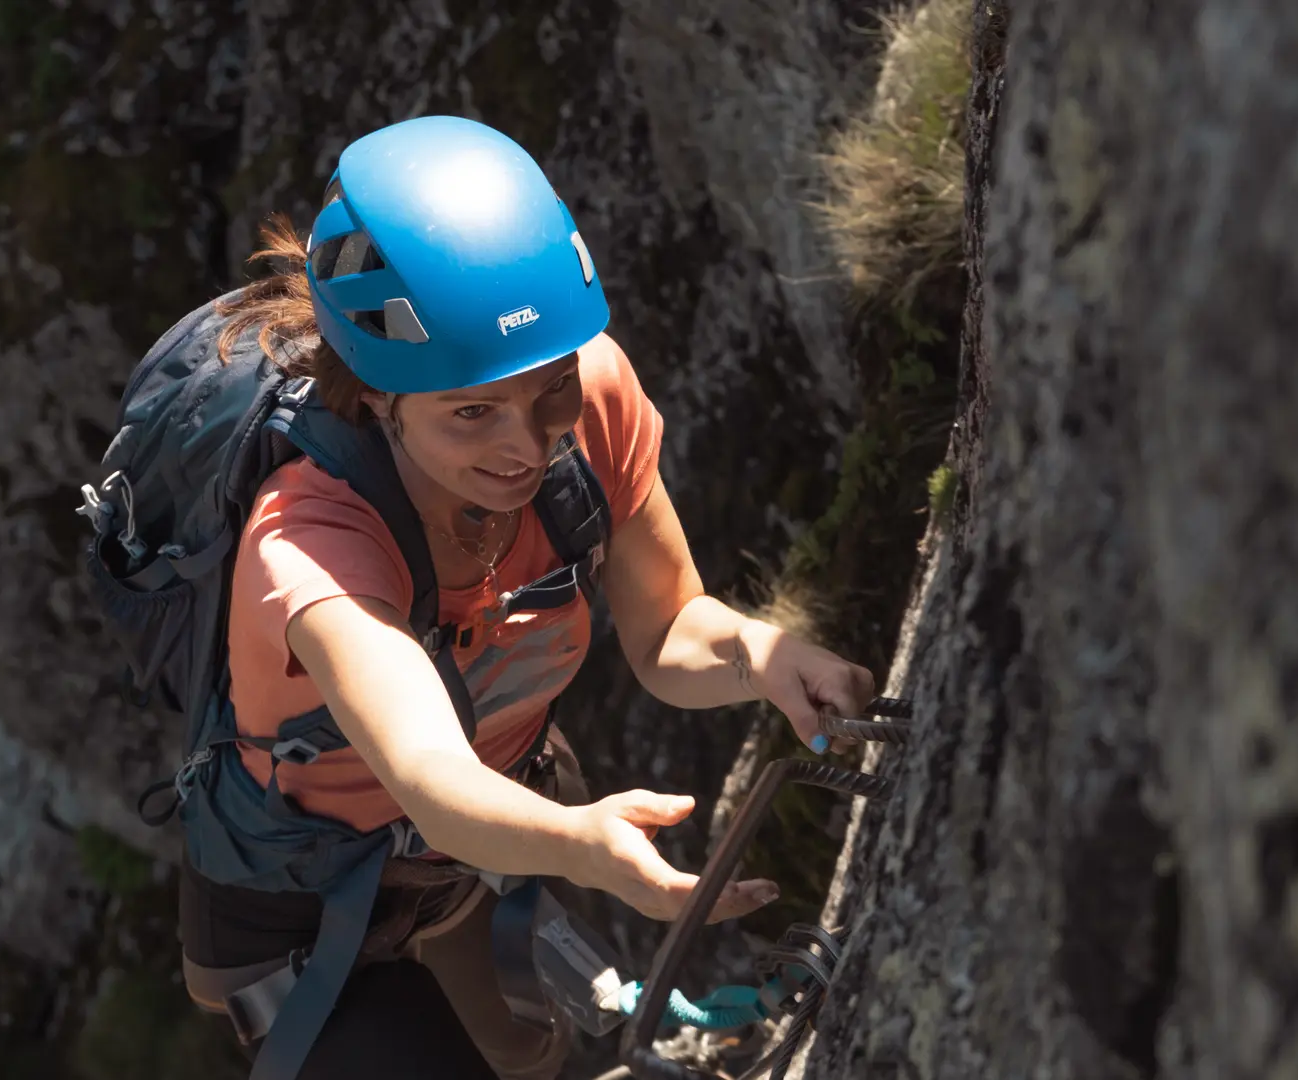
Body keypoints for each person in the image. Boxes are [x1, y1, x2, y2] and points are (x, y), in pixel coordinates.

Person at [172, 115, 877, 1080]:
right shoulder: (311, 540)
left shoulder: (592, 398)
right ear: (377, 396)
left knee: (540, 1059)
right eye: (471, 413)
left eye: (547, 391)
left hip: (499, 831)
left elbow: (670, 628)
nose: (524, 445)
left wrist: (764, 654)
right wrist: (582, 848)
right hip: (303, 895)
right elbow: (430, 776)